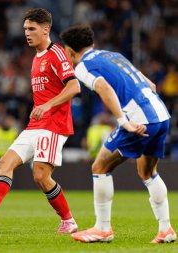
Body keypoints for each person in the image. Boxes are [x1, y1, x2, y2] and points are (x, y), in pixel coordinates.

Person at [0, 8, 81, 233]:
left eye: (32, 29)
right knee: (4, 163)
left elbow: (74, 86)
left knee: (41, 176)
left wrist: (47, 105)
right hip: (36, 125)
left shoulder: (57, 53)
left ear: (46, 30)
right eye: (25, 29)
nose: (27, 33)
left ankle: (68, 221)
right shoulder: (36, 57)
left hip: (54, 125)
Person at [60, 25, 176, 243]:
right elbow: (149, 84)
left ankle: (102, 229)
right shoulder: (114, 55)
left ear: (70, 51)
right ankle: (166, 229)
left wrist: (125, 121)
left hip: (140, 120)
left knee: (100, 167)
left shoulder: (82, 66)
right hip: (161, 115)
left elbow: (104, 88)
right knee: (147, 172)